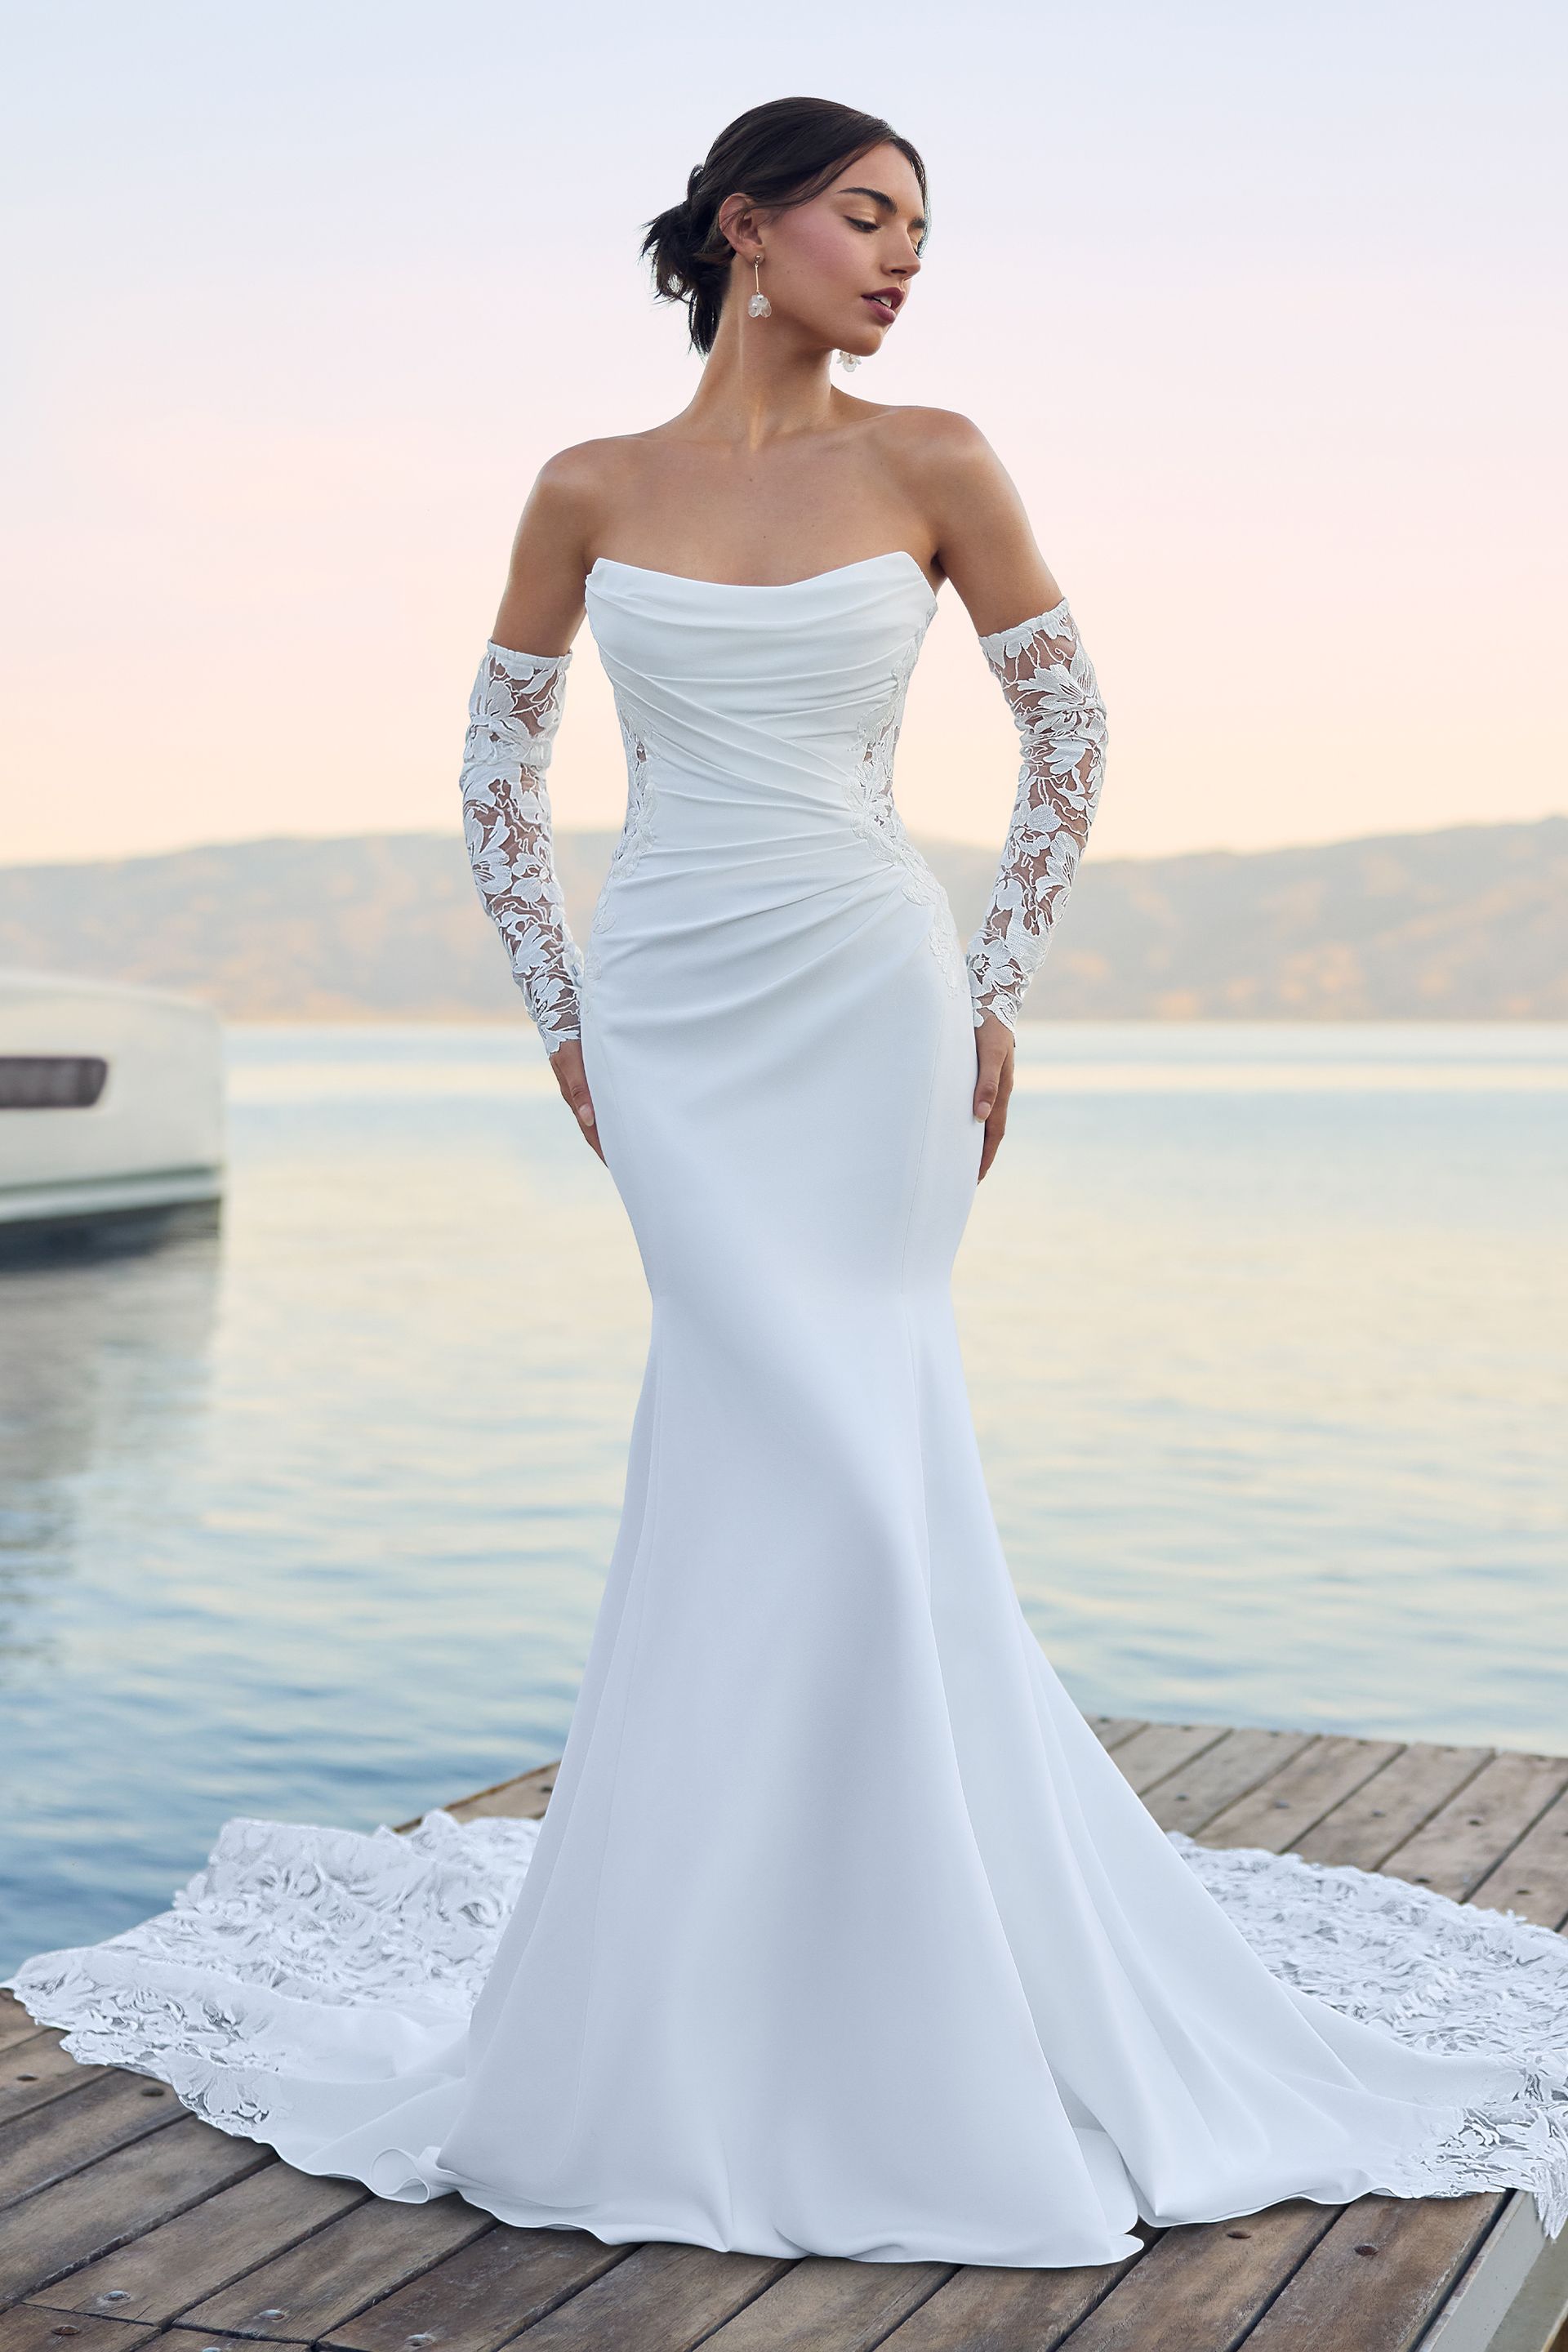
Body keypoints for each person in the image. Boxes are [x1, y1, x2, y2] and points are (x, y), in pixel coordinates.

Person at [7, 96, 1566, 2272]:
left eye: (920, 226)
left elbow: (1075, 729)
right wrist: (559, 1007)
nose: (902, 256)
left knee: (857, 1455)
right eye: (867, 214)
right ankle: (736, 1996)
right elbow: (492, 763)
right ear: (749, 227)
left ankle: (912, 1988)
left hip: (865, 999)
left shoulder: (934, 458)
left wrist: (995, 982)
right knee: (760, 1454)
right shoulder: (589, 485)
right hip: (672, 1008)